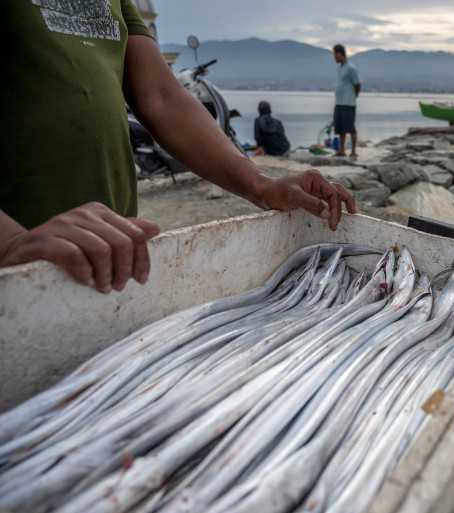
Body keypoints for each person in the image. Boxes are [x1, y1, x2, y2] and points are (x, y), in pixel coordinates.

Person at [1, 1, 355, 294]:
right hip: (14, 272)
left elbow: (161, 96)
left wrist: (261, 185)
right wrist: (11, 243)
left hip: (112, 260)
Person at [332, 44, 361, 159]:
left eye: (334, 54)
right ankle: (341, 150)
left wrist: (355, 96)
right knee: (340, 128)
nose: (334, 57)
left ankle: (353, 151)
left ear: (340, 54)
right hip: (339, 102)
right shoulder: (339, 68)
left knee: (350, 127)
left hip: (349, 103)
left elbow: (357, 84)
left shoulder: (351, 68)